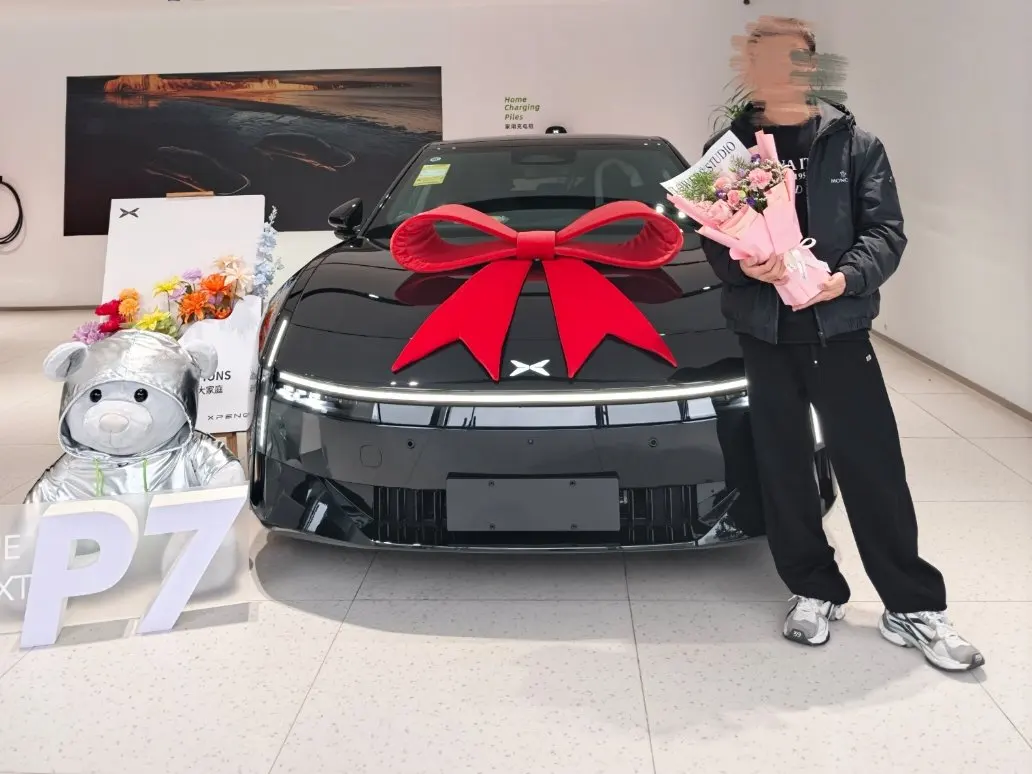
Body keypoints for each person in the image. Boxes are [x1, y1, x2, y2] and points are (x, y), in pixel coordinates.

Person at [700, 16, 984, 671]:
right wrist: (744, 267)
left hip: (839, 329)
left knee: (872, 465)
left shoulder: (855, 144)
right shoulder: (730, 151)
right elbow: (714, 239)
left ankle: (912, 606)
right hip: (765, 333)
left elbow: (885, 232)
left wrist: (844, 279)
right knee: (784, 465)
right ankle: (814, 589)